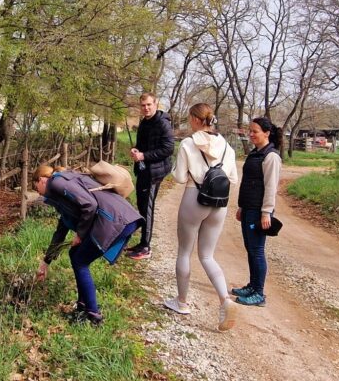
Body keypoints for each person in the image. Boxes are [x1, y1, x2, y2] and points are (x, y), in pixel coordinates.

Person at [34, 166, 143, 325]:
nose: (36, 192)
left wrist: (80, 234)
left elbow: (90, 205)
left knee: (80, 261)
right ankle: (82, 307)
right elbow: (61, 230)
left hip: (115, 220)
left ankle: (93, 316)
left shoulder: (56, 182)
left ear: (42, 179)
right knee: (75, 254)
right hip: (116, 218)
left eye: (34, 185)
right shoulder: (62, 191)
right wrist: (45, 263)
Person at [164, 103, 239, 330]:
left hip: (194, 197)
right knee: (207, 255)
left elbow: (178, 177)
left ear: (196, 120)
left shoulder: (188, 143)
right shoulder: (226, 145)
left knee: (184, 252)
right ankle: (225, 299)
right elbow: (233, 178)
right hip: (219, 204)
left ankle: (182, 301)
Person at [233, 117, 283, 307]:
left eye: (255, 131)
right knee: (250, 249)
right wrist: (241, 206)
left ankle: (259, 293)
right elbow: (248, 184)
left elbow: (271, 187)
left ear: (267, 133)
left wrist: (266, 212)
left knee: (257, 251)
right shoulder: (255, 154)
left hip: (259, 211)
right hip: (248, 208)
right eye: (250, 131)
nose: (251, 134)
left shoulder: (271, 157)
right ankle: (252, 286)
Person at [127, 92, 175, 260]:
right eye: (143, 105)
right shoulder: (144, 123)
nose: (146, 108)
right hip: (143, 170)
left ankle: (146, 247)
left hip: (155, 171)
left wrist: (144, 156)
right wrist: (136, 150)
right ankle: (142, 242)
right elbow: (142, 145)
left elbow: (168, 149)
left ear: (156, 104)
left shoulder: (163, 123)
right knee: (141, 205)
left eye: (149, 104)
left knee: (147, 207)